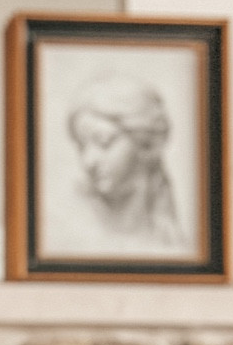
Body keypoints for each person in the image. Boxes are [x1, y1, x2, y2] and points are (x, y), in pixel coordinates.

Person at [65, 73, 184, 248]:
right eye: (82, 146)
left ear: (146, 144)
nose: (88, 162)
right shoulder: (74, 225)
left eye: (104, 141)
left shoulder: (171, 241)